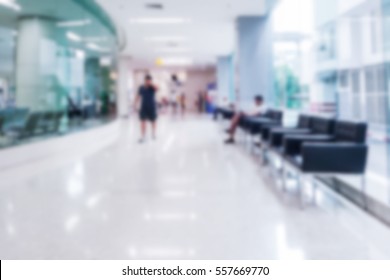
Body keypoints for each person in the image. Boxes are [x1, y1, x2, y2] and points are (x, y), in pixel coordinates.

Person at [134, 75, 158, 143]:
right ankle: (143, 136)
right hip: (143, 107)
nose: (148, 82)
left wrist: (152, 85)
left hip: (152, 107)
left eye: (149, 81)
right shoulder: (141, 88)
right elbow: (138, 96)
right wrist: (135, 104)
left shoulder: (152, 87)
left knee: (153, 121)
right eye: (147, 80)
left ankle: (153, 133)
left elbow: (157, 89)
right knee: (142, 122)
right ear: (145, 80)